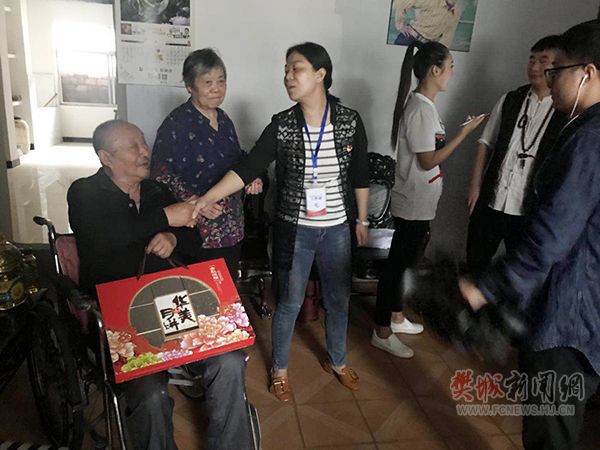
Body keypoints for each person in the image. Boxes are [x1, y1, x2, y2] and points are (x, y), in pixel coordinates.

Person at [191, 42, 370, 401]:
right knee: (289, 300)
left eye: (296, 69)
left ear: (320, 74)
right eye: (286, 69)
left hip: (337, 227)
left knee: (338, 300)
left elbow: (360, 172)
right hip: (296, 229)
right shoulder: (283, 125)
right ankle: (280, 369)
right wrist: (206, 198)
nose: (288, 76)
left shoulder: (349, 121)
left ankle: (337, 360)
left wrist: (362, 219)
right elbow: (248, 168)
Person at [67, 120, 252, 450]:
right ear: (106, 158)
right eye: (133, 146)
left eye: (143, 143)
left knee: (230, 361)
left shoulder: (156, 191)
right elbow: (104, 237)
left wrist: (172, 237)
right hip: (123, 318)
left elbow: (193, 240)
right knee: (149, 392)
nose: (144, 151)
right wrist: (165, 218)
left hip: (174, 304)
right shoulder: (83, 193)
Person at [460, 21, 600, 450]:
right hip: (584, 308)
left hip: (568, 315)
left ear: (587, 73)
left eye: (557, 70)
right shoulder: (576, 125)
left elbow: (552, 234)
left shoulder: (590, 139)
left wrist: (486, 287)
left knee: (549, 433)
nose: (550, 79)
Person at [371, 41, 485, 358]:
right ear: (435, 70)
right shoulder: (421, 109)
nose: (452, 74)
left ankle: (396, 317)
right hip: (412, 201)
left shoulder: (424, 106)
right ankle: (381, 330)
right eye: (450, 67)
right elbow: (427, 161)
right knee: (397, 267)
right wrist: (464, 133)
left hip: (419, 199)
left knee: (405, 262)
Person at [151, 48, 262, 280]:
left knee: (227, 285)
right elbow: (161, 173)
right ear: (190, 86)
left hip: (231, 224)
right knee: (202, 289)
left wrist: (251, 175)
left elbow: (237, 158)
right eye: (208, 82)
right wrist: (195, 201)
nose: (216, 88)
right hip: (198, 226)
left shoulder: (224, 119)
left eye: (221, 81)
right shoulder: (177, 123)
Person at [466, 35, 567, 273]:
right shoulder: (510, 99)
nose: (534, 67)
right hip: (493, 199)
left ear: (558, 66)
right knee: (475, 262)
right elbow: (485, 142)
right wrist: (475, 185)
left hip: (528, 208)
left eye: (543, 61)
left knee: (520, 270)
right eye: (531, 59)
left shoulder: (564, 110)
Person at [393, 0, 461, 48]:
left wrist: (441, 53)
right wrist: (400, 25)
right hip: (409, 38)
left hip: (426, 47)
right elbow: (402, 2)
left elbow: (448, 36)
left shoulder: (456, 12)